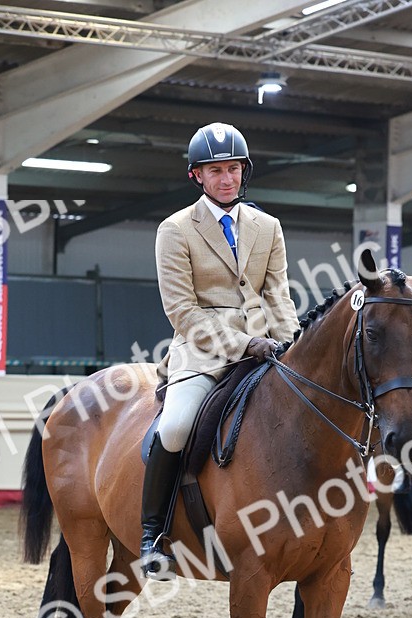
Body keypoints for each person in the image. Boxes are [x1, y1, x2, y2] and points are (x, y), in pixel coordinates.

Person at [140, 121, 300, 576]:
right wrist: (244, 342)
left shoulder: (268, 227)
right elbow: (182, 311)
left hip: (268, 345)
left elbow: (278, 295)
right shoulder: (174, 229)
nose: (226, 178)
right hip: (203, 349)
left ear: (243, 171)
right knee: (174, 427)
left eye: (233, 169)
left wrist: (292, 346)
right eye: (215, 171)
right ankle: (153, 532)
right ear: (197, 176)